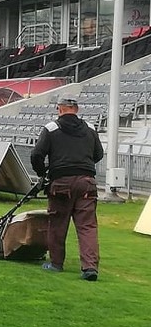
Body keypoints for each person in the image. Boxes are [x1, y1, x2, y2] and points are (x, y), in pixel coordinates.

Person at [30, 94, 104, 281]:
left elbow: (36, 155)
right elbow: (99, 154)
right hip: (87, 182)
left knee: (57, 224)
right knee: (87, 226)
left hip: (61, 182)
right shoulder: (90, 128)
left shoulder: (51, 128)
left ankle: (56, 263)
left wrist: (44, 173)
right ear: (76, 110)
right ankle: (89, 268)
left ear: (59, 109)